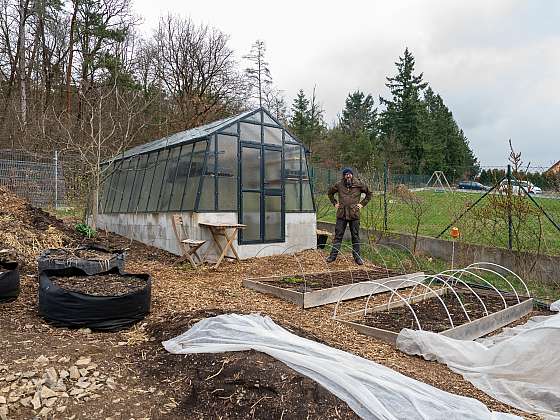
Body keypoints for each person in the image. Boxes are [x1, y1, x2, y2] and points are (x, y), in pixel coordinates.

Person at [326, 168, 372, 264]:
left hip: (354, 214)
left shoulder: (359, 184)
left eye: (349, 174)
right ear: (343, 176)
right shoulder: (339, 184)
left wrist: (362, 204)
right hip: (341, 214)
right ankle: (332, 257)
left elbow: (369, 194)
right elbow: (330, 193)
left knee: (355, 236)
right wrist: (334, 203)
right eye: (346, 174)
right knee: (338, 236)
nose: (348, 176)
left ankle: (357, 258)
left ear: (352, 175)